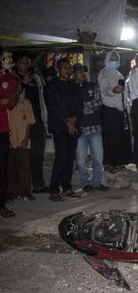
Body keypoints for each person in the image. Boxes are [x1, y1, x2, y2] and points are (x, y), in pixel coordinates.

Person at [44, 58, 83, 201]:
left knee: (70, 158)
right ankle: (54, 190)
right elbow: (53, 108)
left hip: (73, 126)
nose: (67, 70)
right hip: (60, 127)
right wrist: (68, 121)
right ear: (58, 69)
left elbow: (80, 105)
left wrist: (74, 119)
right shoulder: (51, 86)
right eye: (64, 67)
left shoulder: (74, 85)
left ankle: (67, 188)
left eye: (69, 68)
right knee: (60, 158)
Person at [11, 50, 49, 193]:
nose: (25, 65)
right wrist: (22, 83)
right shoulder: (12, 79)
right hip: (20, 124)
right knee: (21, 156)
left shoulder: (37, 78)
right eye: (22, 62)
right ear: (16, 64)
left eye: (27, 62)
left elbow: (42, 99)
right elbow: (12, 101)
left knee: (37, 154)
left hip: (37, 121)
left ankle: (38, 184)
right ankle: (21, 187)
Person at [72, 64, 109, 192]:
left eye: (84, 72)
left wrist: (82, 109)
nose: (83, 74)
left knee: (98, 158)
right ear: (74, 74)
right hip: (80, 129)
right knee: (81, 159)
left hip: (95, 127)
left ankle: (97, 182)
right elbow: (72, 106)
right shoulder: (71, 88)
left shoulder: (93, 86)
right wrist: (85, 108)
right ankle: (85, 183)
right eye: (79, 72)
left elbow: (99, 101)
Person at [97, 51, 132, 174]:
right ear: (107, 59)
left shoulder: (119, 74)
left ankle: (119, 162)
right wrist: (114, 90)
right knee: (110, 138)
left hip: (121, 110)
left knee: (121, 138)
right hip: (109, 111)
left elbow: (124, 92)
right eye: (112, 59)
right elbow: (105, 90)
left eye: (117, 59)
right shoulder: (104, 73)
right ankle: (109, 163)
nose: (115, 61)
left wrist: (127, 108)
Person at [7, 84, 35, 201]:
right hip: (10, 140)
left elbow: (29, 122)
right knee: (10, 168)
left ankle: (25, 192)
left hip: (23, 140)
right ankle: (12, 193)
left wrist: (25, 139)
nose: (16, 88)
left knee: (24, 167)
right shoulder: (7, 103)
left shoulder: (26, 103)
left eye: (18, 86)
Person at [0, 70, 18, 217]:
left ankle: (1, 206)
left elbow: (12, 101)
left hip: (2, 129)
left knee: (1, 170)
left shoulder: (8, 79)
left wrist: (6, 101)